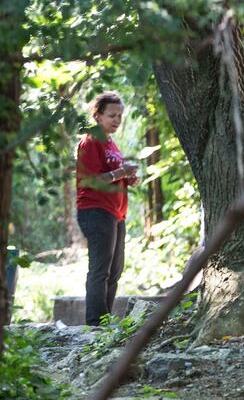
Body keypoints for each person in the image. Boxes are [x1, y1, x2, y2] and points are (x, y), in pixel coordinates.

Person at [76, 92, 139, 326]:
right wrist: (121, 172)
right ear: (98, 115)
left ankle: (105, 320)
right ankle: (95, 323)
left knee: (115, 270)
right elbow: (90, 180)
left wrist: (128, 179)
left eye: (120, 116)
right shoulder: (90, 141)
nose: (117, 120)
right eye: (111, 115)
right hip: (95, 210)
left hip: (115, 213)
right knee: (100, 269)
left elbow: (111, 177)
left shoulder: (111, 143)